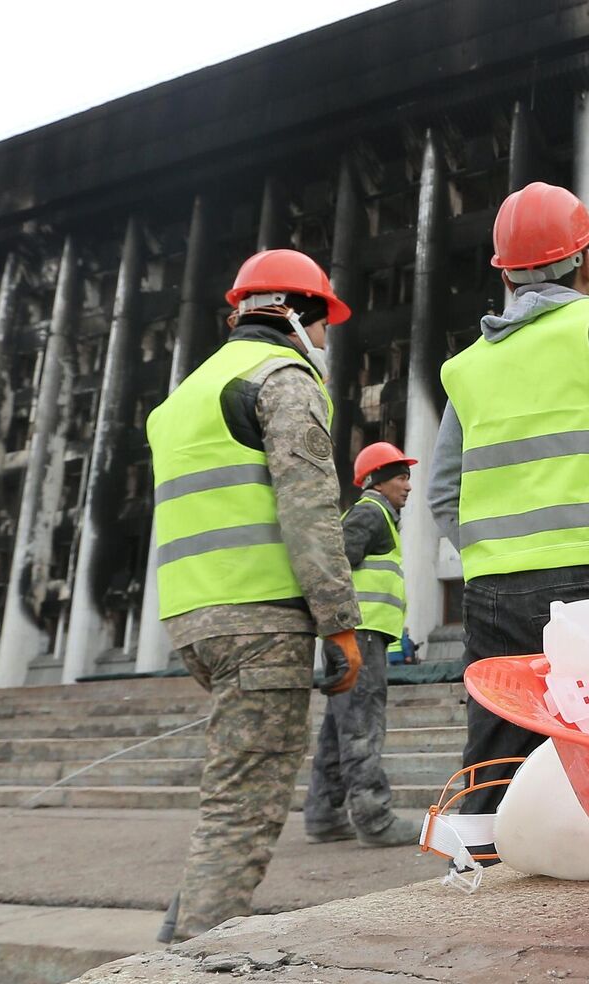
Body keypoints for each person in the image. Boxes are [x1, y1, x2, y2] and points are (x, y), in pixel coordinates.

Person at [430, 181, 589, 814]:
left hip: (495, 596)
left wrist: (489, 554)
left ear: (508, 276)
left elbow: (441, 491)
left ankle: (479, 882)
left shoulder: (468, 365)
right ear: (587, 260)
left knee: (495, 766)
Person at [146, 247, 364, 940]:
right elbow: (311, 512)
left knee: (228, 800)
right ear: (296, 313)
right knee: (244, 810)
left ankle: (177, 937)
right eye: (325, 322)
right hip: (263, 624)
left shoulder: (184, 398)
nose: (327, 339)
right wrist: (339, 621)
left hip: (194, 620)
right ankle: (192, 959)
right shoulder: (282, 377)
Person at [305, 441, 423, 848]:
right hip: (358, 636)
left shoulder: (376, 516)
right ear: (377, 481)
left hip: (350, 635)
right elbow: (335, 566)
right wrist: (341, 633)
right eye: (401, 477)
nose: (408, 486)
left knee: (339, 726)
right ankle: (374, 819)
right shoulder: (371, 514)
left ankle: (324, 814)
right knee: (362, 724)